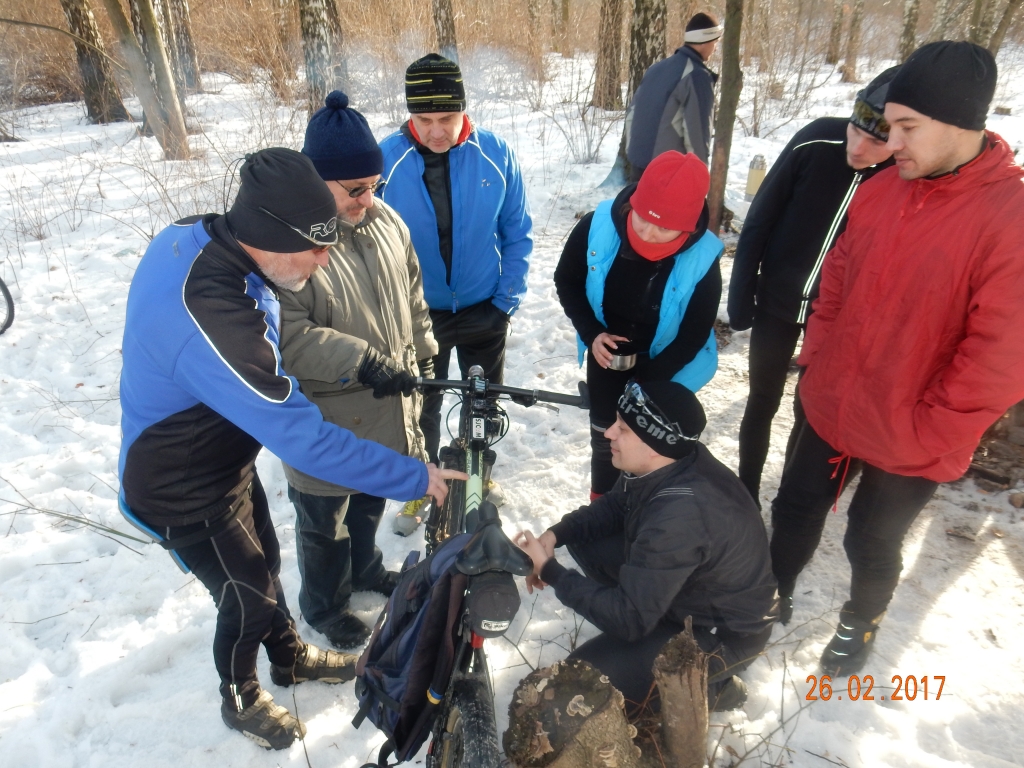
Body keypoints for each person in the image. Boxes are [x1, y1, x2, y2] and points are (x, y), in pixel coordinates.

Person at [118, 148, 463, 749]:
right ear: (270, 235)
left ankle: (289, 657)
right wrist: (415, 477)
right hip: (177, 485)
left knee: (266, 566)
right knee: (246, 596)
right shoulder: (219, 322)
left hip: (221, 458)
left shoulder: (202, 236)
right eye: (317, 247)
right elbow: (305, 439)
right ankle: (241, 698)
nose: (325, 260)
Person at [769, 41, 1024, 675]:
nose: (891, 141)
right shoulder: (882, 189)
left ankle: (862, 621)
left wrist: (928, 432)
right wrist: (818, 361)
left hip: (913, 431)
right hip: (834, 399)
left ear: (960, 123)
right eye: (888, 123)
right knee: (795, 508)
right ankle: (770, 592)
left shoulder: (1009, 218)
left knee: (870, 537)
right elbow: (836, 279)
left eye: (908, 127)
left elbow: (1000, 357)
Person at [275, 92, 439, 651]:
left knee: (370, 498)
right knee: (325, 522)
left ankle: (365, 570)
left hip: (386, 406)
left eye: (374, 185)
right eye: (355, 189)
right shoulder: (289, 244)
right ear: (316, 180)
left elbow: (412, 292)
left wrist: (424, 349)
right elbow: (288, 336)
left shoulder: (385, 221)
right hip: (327, 418)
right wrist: (360, 360)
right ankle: (323, 604)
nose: (368, 199)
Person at [515, 380, 777, 710]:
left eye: (623, 429)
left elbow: (629, 620)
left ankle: (715, 687)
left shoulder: (680, 515)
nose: (609, 433)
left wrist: (551, 571)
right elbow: (615, 505)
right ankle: (649, 626)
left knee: (573, 689)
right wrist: (557, 534)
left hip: (722, 635)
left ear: (655, 445)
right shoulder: (668, 461)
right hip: (687, 594)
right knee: (585, 538)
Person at [727, 67, 899, 508]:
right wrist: (742, 294)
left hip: (834, 319)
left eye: (875, 142)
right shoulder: (816, 139)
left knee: (810, 411)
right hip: (777, 300)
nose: (857, 148)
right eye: (856, 130)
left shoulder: (901, 176)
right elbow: (761, 217)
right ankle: (747, 495)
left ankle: (788, 498)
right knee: (762, 399)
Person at [379, 53, 533, 476]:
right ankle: (425, 479)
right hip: (420, 315)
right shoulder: (385, 162)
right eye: (424, 120)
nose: (436, 131)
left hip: (485, 307)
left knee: (482, 405)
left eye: (446, 118)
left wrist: (504, 303)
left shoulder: (496, 155)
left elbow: (518, 233)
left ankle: (475, 472)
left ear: (464, 108)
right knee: (421, 406)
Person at [555, 151, 722, 499]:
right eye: (642, 217)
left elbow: (695, 331)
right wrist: (591, 333)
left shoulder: (703, 257)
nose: (648, 232)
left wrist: (648, 381)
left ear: (689, 226)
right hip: (607, 356)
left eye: (664, 227)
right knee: (607, 439)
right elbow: (567, 280)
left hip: (667, 364)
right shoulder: (597, 227)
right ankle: (601, 509)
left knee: (651, 449)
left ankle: (645, 513)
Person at [625, 11, 722, 178]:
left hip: (637, 165)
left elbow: (631, 115)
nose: (715, 47)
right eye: (715, 41)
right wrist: (698, 179)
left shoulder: (656, 69)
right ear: (704, 42)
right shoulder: (697, 76)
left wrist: (634, 155)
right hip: (667, 174)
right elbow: (697, 135)